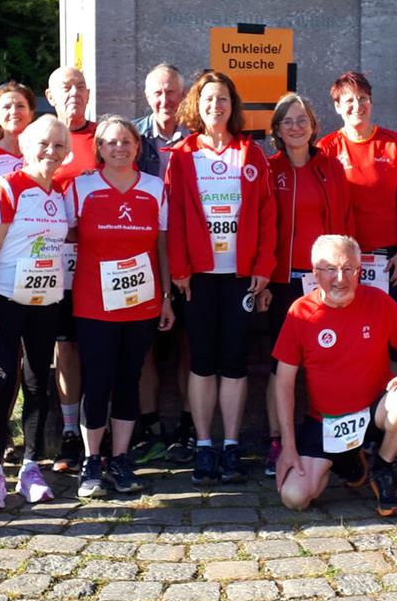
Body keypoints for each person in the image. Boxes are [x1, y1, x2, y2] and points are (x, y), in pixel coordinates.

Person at [166, 70, 276, 485]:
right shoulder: (182, 155)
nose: (216, 105)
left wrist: (262, 268)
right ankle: (204, 445)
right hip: (197, 276)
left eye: (223, 99)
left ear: (233, 106)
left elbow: (267, 215)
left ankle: (230, 444)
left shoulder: (251, 153)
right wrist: (179, 269)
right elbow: (175, 216)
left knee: (233, 360)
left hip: (239, 275)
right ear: (198, 105)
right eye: (209, 99)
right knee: (201, 359)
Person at [272, 235, 397, 514]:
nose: (340, 279)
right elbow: (283, 383)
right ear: (315, 272)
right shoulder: (300, 312)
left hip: (375, 413)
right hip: (325, 422)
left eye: (348, 269)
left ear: (359, 270)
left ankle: (382, 466)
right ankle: (350, 462)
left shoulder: (378, 301)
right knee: (294, 497)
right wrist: (288, 446)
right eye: (330, 269)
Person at [66, 117, 175, 497]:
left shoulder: (155, 188)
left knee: (129, 380)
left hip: (141, 303)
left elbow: (162, 246)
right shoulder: (82, 187)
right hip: (93, 304)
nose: (119, 148)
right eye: (111, 142)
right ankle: (91, 461)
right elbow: (66, 235)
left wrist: (166, 298)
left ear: (137, 147)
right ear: (99, 148)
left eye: (126, 141)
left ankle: (121, 458)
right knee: (97, 381)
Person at [0, 116, 73, 511]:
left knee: (37, 384)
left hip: (45, 304)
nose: (51, 151)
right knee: (0, 387)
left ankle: (31, 466)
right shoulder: (7, 186)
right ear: (26, 147)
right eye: (44, 144)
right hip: (4, 303)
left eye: (59, 145)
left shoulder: (59, 192)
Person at [261, 93, 353, 476]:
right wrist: (263, 279)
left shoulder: (331, 168)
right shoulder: (269, 169)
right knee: (280, 365)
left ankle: (332, 436)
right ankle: (276, 440)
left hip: (325, 281)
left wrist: (346, 276)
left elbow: (345, 223)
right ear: (277, 130)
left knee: (326, 359)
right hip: (281, 282)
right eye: (288, 121)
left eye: (302, 120)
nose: (296, 127)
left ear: (314, 126)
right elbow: (261, 227)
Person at [318, 71, 397, 320]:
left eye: (363, 98)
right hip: (345, 256)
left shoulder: (395, 143)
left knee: (396, 328)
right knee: (349, 325)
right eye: (349, 100)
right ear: (337, 106)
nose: (357, 105)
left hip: (390, 255)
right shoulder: (326, 148)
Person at [132, 63, 191, 465]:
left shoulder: (198, 137)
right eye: (157, 92)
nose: (165, 99)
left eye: (171, 92)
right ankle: (150, 425)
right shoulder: (132, 138)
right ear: (146, 96)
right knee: (145, 345)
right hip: (144, 252)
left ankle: (187, 425)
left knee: (189, 342)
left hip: (191, 252)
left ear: (182, 95)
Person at [45, 65, 99, 472]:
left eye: (80, 86)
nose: (74, 93)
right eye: (65, 87)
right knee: (65, 347)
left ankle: (98, 426)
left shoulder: (103, 138)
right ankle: (68, 431)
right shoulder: (42, 137)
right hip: (53, 260)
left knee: (98, 344)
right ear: (50, 96)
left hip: (99, 259)